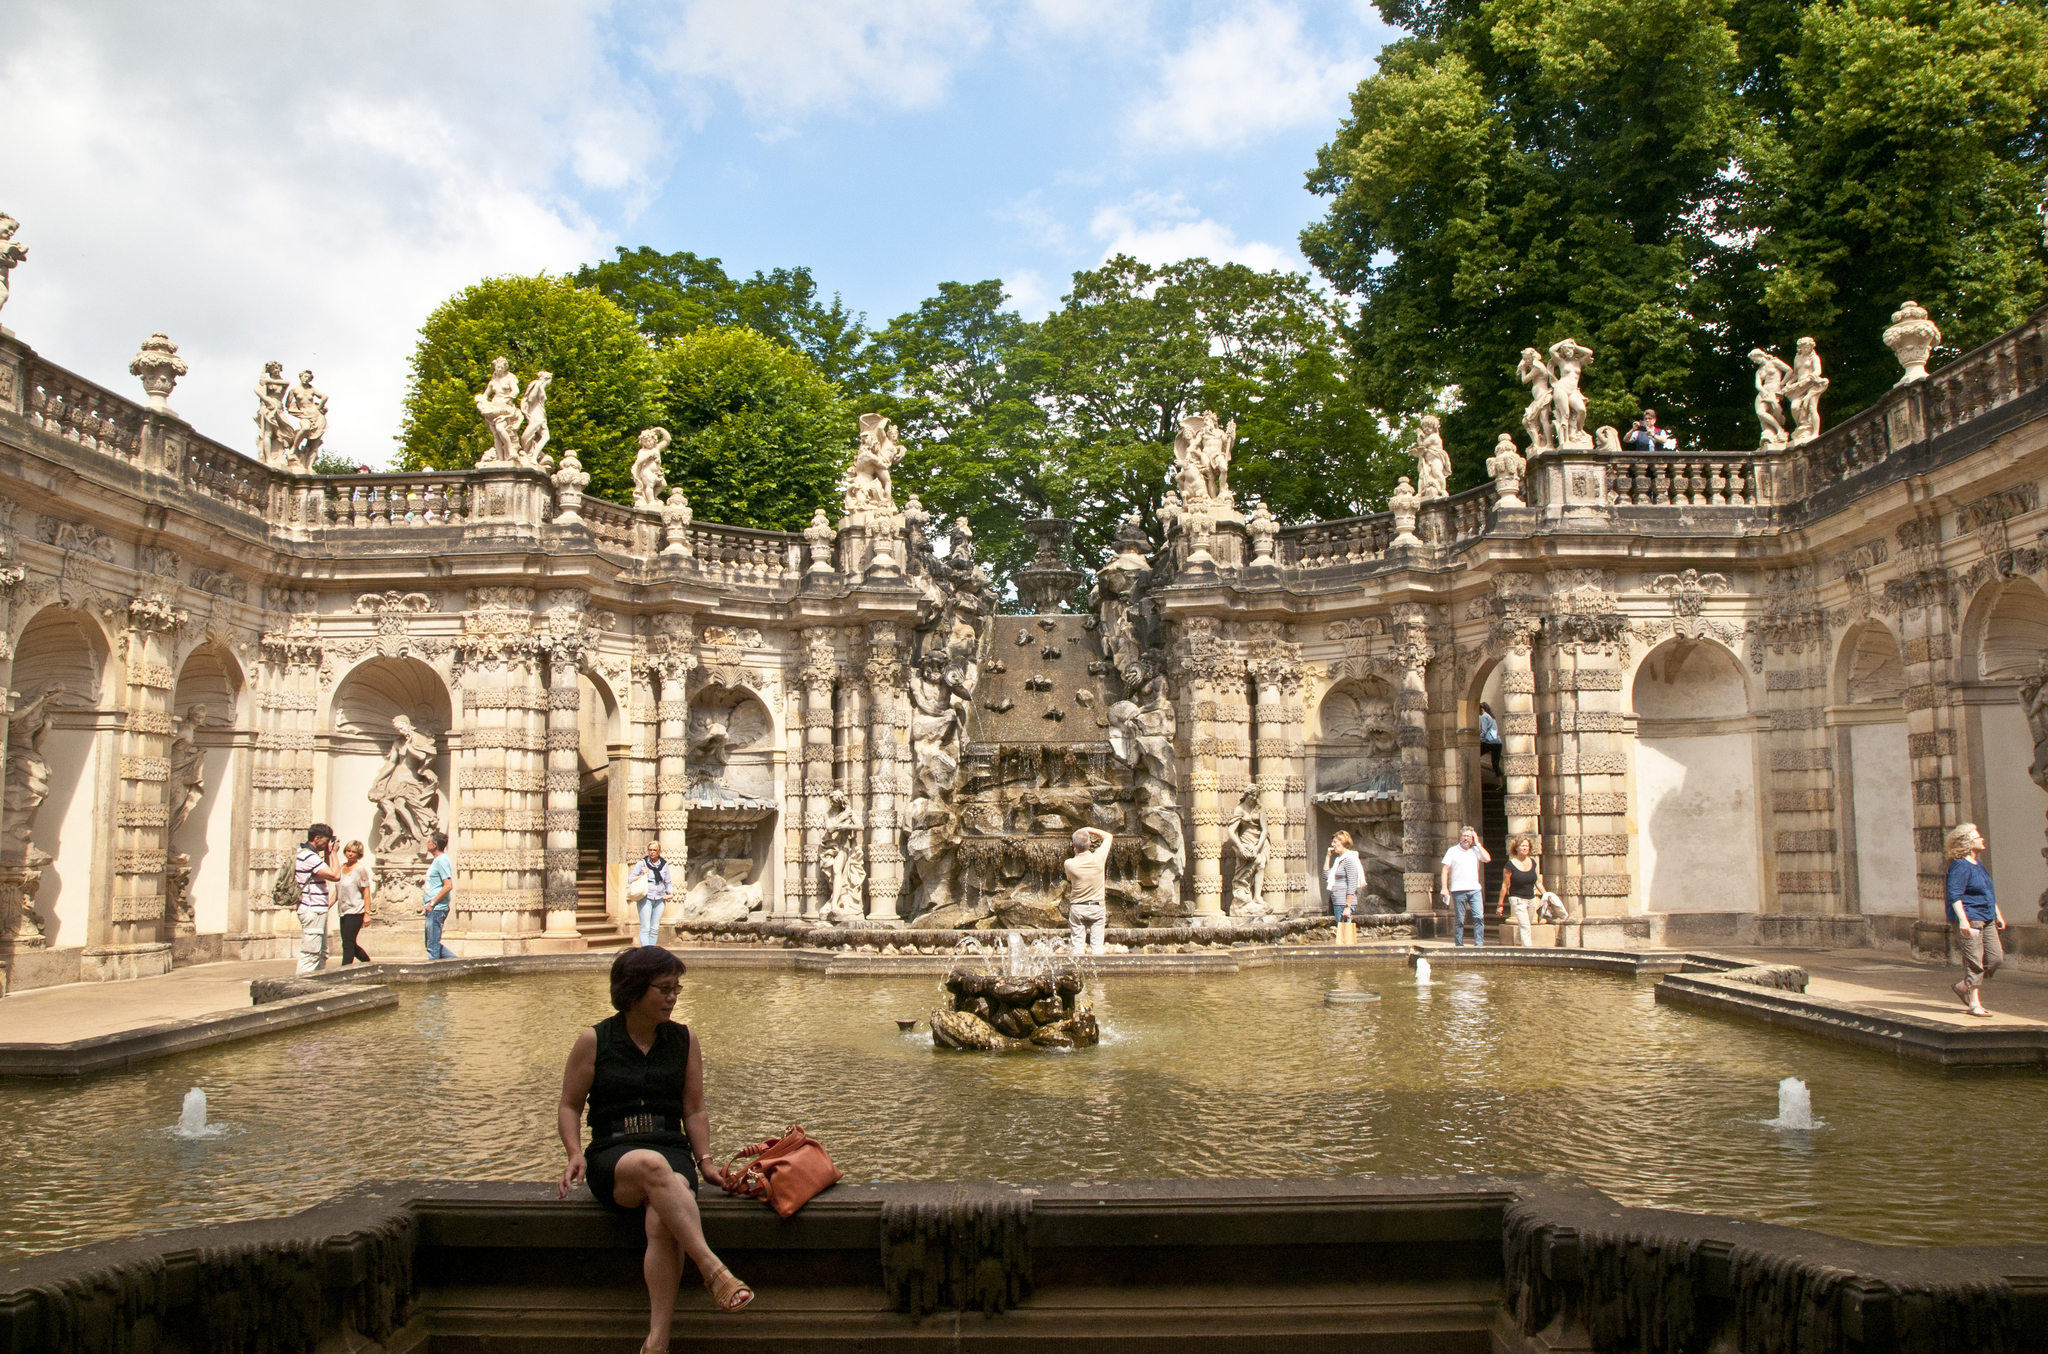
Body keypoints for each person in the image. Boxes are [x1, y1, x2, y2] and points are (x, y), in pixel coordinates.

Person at [557, 947, 755, 1347]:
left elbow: (694, 1109)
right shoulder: (594, 1040)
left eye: (676, 988)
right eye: (664, 988)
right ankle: (712, 1267)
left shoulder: (684, 1039)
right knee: (650, 1165)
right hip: (613, 1155)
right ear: (633, 991)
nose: (673, 997)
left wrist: (706, 1162)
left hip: (673, 1150)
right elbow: (569, 1105)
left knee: (660, 1219)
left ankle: (656, 1342)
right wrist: (574, 1153)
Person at [1944, 823, 2007, 1017]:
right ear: (1968, 843)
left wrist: (1997, 914)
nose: (1982, 839)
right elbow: (1954, 895)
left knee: (1996, 958)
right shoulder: (1960, 866)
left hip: (1986, 916)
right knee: (1974, 961)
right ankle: (1974, 1003)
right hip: (1970, 917)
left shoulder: (1978, 865)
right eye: (1977, 837)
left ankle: (1964, 985)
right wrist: (1963, 921)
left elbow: (1988, 892)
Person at [293, 824, 342, 976]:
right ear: (317, 838)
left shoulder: (309, 855)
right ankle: (301, 987)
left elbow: (325, 870)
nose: (327, 844)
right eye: (326, 841)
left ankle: (317, 985)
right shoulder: (307, 856)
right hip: (312, 909)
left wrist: (328, 853)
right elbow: (335, 875)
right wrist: (333, 853)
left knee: (321, 953)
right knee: (311, 953)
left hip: (317, 909)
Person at [1439, 825, 1491, 947]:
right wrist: (1444, 887)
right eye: (1464, 836)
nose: (1466, 838)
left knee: (1479, 917)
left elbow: (1487, 859)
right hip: (1458, 890)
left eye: (1468, 836)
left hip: (1475, 889)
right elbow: (1445, 870)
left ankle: (1479, 944)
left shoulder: (1475, 851)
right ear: (1460, 837)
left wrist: (1478, 843)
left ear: (1472, 838)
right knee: (1460, 919)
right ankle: (1459, 944)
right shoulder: (1452, 851)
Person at [1065, 827, 1112, 955]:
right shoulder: (1099, 858)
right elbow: (1108, 836)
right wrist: (1089, 829)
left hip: (1078, 908)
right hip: (1097, 908)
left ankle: (1077, 973)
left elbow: (1069, 878)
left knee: (1077, 949)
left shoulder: (1069, 864)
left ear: (1073, 845)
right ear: (1090, 843)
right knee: (1097, 949)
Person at [335, 840, 376, 966]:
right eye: (348, 851)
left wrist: (367, 913)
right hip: (343, 910)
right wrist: (328, 905)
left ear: (358, 854)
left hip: (355, 910)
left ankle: (345, 970)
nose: (350, 854)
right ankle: (367, 963)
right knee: (348, 942)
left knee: (348, 943)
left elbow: (366, 892)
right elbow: (337, 891)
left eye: (353, 852)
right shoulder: (341, 867)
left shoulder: (360, 870)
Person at [1497, 837, 1542, 947]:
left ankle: (1517, 943)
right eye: (1522, 845)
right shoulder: (1510, 865)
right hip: (1517, 899)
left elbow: (1538, 883)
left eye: (1526, 845)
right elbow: (1505, 885)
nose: (1525, 848)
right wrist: (1500, 904)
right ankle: (1528, 952)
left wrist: (1546, 896)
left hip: (1531, 899)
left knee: (1526, 924)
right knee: (1525, 926)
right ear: (1516, 848)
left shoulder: (1533, 862)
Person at [628, 842, 673, 949]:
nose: (652, 852)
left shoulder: (664, 864)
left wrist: (670, 893)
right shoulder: (642, 863)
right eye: (650, 850)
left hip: (660, 897)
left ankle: (652, 951)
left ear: (659, 851)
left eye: (654, 850)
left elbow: (668, 882)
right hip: (646, 897)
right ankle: (646, 952)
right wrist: (642, 874)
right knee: (646, 927)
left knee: (655, 928)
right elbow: (630, 879)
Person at [422, 831, 456, 961]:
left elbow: (448, 885)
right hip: (433, 908)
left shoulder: (442, 860)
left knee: (432, 946)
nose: (427, 843)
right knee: (431, 943)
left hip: (436, 908)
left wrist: (432, 903)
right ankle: (457, 963)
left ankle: (434, 972)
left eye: (429, 841)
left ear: (435, 844)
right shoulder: (438, 860)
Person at [1324, 831, 1364, 921]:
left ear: (1343, 842)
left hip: (1344, 903)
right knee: (1341, 932)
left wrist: (1347, 906)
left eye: (1335, 842)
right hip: (1337, 902)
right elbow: (1326, 876)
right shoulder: (1339, 860)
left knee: (1345, 932)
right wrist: (1328, 857)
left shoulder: (1349, 860)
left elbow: (1352, 884)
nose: (1332, 845)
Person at [1478, 702, 1502, 779]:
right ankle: (1500, 784)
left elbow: (1484, 731)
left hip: (1488, 742)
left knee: (1475, 757)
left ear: (1482, 709)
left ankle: (1478, 775)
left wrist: (1480, 740)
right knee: (1495, 764)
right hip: (1497, 742)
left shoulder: (1484, 716)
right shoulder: (1492, 717)